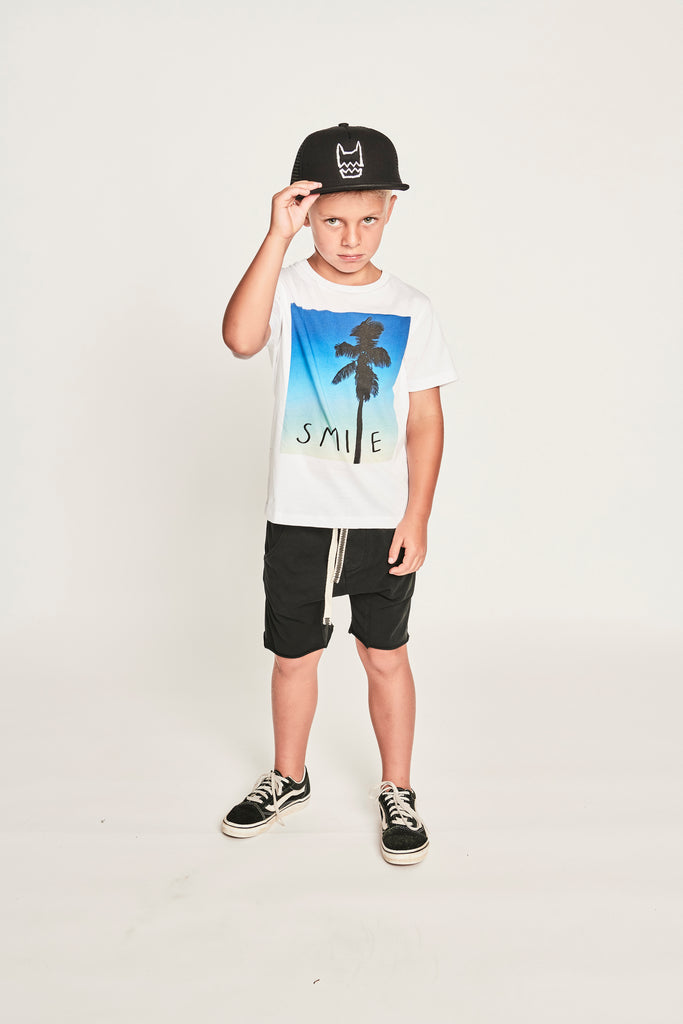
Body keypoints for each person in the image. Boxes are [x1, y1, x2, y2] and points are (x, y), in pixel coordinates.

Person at [220, 123, 457, 865]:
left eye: (367, 218)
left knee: (385, 653)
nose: (350, 237)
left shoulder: (411, 305)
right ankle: (289, 776)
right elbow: (239, 338)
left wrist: (417, 514)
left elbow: (425, 419)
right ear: (307, 213)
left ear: (390, 212)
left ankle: (398, 788)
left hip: (380, 519)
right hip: (299, 516)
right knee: (294, 656)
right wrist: (276, 236)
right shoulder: (288, 288)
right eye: (331, 220)